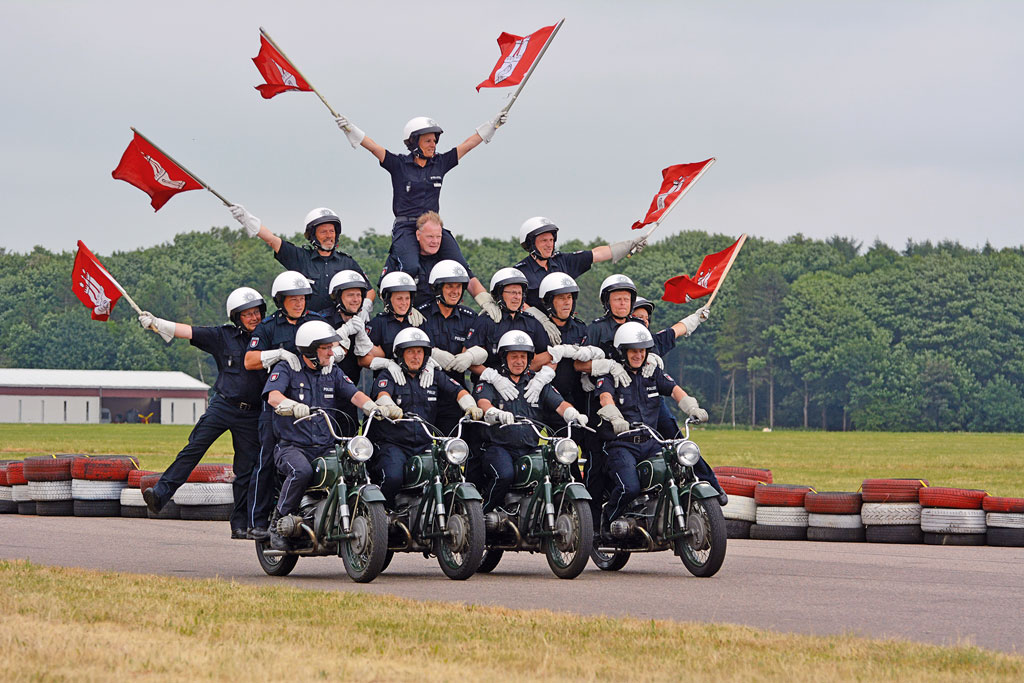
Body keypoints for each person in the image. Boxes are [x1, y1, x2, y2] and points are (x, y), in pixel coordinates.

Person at [138, 287, 266, 539]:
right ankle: (160, 494)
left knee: (246, 470)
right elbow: (188, 331)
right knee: (193, 448)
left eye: (257, 312)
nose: (254, 318)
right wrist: (156, 323)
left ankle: (240, 525)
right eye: (247, 314)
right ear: (236, 317)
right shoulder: (223, 336)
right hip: (223, 405)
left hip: (252, 413)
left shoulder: (268, 337)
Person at [262, 320, 394, 550]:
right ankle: (277, 523)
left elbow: (354, 394)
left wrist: (372, 407)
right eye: (326, 348)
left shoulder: (332, 371)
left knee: (355, 467)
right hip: (292, 446)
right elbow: (273, 396)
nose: (332, 352)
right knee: (301, 471)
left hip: (325, 445)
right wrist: (291, 405)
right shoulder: (287, 369)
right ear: (311, 350)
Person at [332, 111, 508, 282]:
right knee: (410, 267)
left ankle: (486, 304)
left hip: (432, 228)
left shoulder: (440, 163)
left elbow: (468, 144)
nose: (433, 145)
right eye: (428, 141)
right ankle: (403, 306)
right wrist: (350, 129)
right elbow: (373, 147)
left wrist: (492, 126)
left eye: (435, 141)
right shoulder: (399, 164)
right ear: (414, 142)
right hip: (406, 227)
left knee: (460, 267)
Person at [591, 322, 713, 531]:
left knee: (677, 473)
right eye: (633, 351)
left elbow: (675, 390)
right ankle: (605, 523)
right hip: (621, 445)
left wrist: (691, 407)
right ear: (623, 352)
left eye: (642, 351)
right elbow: (605, 398)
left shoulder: (652, 373)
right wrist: (615, 418)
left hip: (651, 443)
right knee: (629, 487)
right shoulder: (611, 375)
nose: (638, 355)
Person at [242, 270, 326, 539]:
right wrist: (276, 354)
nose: (299, 303)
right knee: (266, 461)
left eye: (302, 298)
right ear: (281, 300)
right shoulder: (268, 326)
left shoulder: (317, 322)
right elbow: (249, 361)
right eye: (293, 298)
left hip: (312, 404)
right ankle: (258, 521)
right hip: (276, 403)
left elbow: (337, 346)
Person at [473, 331, 587, 513]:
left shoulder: (536, 383)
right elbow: (483, 403)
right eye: (514, 356)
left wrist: (573, 414)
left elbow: (559, 404)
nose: (519, 361)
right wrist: (496, 413)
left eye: (523, 357)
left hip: (529, 447)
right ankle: (484, 512)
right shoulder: (492, 381)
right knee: (505, 475)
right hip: (499, 447)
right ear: (504, 358)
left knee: (556, 470)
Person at [367, 328, 483, 507]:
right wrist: (389, 406)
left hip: (425, 443)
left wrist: (470, 405)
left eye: (420, 352)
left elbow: (458, 390)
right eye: (411, 352)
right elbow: (382, 393)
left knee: (445, 475)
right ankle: (385, 516)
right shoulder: (389, 374)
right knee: (393, 477)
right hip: (394, 444)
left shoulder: (433, 375)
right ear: (400, 354)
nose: (416, 357)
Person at [229, 204, 376, 318]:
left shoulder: (347, 262)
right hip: (306, 324)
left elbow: (369, 291)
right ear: (313, 235)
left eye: (332, 231)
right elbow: (272, 240)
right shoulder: (300, 258)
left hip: (341, 326)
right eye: (323, 231)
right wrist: (248, 220)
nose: (329, 235)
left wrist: (365, 308)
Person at [379, 211, 499, 319]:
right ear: (418, 235)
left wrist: (485, 300)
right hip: (411, 318)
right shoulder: (402, 258)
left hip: (442, 319)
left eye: (438, 237)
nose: (435, 241)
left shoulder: (446, 258)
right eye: (430, 237)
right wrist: (405, 310)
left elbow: (469, 278)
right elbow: (383, 290)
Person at [514, 216, 648, 310]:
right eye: (544, 241)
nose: (549, 245)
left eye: (551, 240)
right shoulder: (520, 272)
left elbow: (596, 254)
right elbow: (513, 300)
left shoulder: (562, 261)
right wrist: (538, 318)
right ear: (531, 243)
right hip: (535, 329)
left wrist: (629, 245)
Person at [450, 267, 552, 378]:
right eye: (512, 292)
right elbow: (466, 357)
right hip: (490, 385)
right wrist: (493, 378)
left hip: (525, 385)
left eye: (519, 293)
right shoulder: (485, 321)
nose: (517, 297)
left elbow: (548, 355)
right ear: (499, 294)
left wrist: (540, 380)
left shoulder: (532, 322)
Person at [416, 260, 479, 435]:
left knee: (455, 446)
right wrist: (432, 354)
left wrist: (469, 356)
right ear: (437, 288)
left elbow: (475, 347)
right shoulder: (420, 314)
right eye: (450, 286)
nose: (455, 291)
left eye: (459, 286)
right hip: (424, 389)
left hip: (456, 392)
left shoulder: (469, 317)